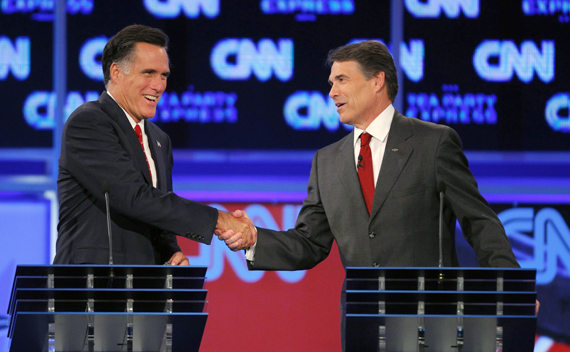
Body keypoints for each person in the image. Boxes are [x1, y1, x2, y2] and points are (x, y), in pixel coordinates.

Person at [218, 40, 523, 348]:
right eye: (331, 83)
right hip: (362, 326)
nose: (332, 92)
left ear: (377, 81)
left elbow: (478, 222)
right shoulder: (326, 161)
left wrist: (512, 289)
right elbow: (309, 243)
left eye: (342, 80)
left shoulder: (433, 143)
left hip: (428, 324)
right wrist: (255, 238)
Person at [54, 25, 255, 265]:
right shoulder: (89, 123)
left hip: (142, 291)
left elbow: (158, 213)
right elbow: (133, 197)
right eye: (148, 73)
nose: (158, 86)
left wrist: (171, 253)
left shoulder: (160, 140)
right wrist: (218, 220)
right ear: (116, 72)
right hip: (93, 289)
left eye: (163, 75)